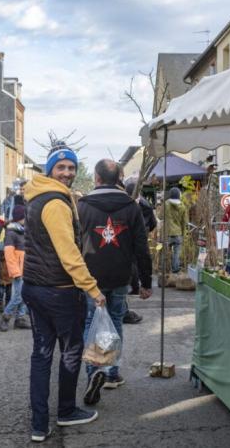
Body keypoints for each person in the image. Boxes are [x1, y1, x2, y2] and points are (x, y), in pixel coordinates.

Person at [22, 144, 105, 443]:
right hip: (58, 290)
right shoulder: (55, 202)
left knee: (41, 354)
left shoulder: (35, 196)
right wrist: (92, 288)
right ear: (50, 170)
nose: (68, 172)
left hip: (34, 287)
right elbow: (68, 253)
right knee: (70, 352)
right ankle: (66, 411)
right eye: (61, 167)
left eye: (71, 167)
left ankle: (38, 424)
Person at [78, 160, 153, 405]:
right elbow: (142, 246)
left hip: (91, 277)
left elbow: (73, 244)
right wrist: (145, 280)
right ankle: (111, 372)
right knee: (116, 320)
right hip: (121, 275)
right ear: (117, 178)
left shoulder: (83, 206)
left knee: (93, 322)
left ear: (97, 178)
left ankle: (95, 371)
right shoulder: (131, 207)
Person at [123, 181, 156, 324]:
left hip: (130, 236)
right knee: (139, 259)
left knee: (133, 262)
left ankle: (135, 286)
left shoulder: (127, 204)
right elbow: (153, 222)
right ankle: (137, 286)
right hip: (142, 234)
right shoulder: (146, 203)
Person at [0, 204, 30, 331]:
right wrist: (15, 271)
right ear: (20, 218)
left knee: (25, 295)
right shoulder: (12, 232)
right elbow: (9, 254)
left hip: (27, 268)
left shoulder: (24, 230)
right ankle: (5, 317)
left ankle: (20, 319)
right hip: (18, 270)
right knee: (18, 295)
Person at [165, 187, 186, 274]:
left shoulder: (166, 204)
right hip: (178, 233)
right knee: (176, 253)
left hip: (168, 233)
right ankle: (175, 269)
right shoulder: (182, 206)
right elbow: (184, 222)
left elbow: (159, 216)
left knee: (165, 252)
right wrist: (183, 234)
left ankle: (165, 269)